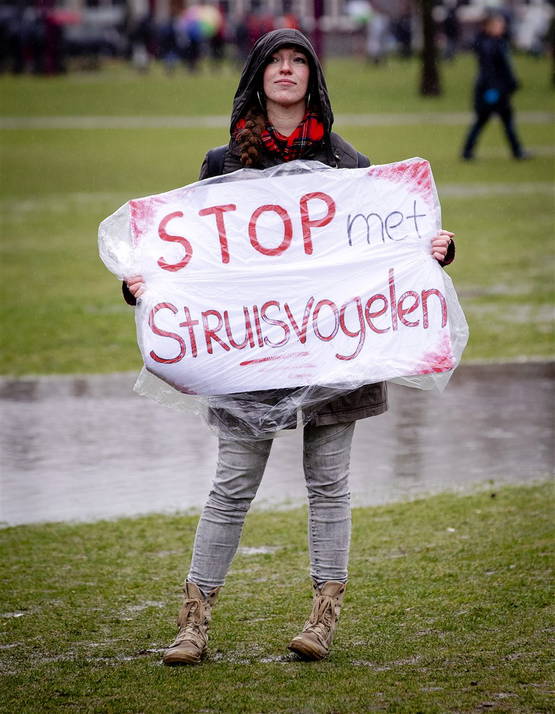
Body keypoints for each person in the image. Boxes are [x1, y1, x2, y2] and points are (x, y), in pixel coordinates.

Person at [123, 28, 455, 665]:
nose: (285, 70)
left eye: (297, 61)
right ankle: (194, 623)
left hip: (334, 352)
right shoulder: (223, 165)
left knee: (329, 483)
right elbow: (192, 262)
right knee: (231, 485)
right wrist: (147, 285)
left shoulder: (348, 166)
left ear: (313, 79)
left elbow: (384, 245)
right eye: (274, 60)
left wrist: (431, 251)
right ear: (256, 75)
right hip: (249, 357)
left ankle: (322, 619)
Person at [461, 12, 527, 161]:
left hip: (498, 89)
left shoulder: (497, 42)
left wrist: (511, 83)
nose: (501, 27)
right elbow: (489, 70)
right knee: (486, 121)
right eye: (498, 25)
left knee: (502, 121)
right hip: (492, 91)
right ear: (489, 27)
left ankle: (516, 151)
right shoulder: (488, 45)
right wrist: (494, 89)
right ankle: (467, 152)